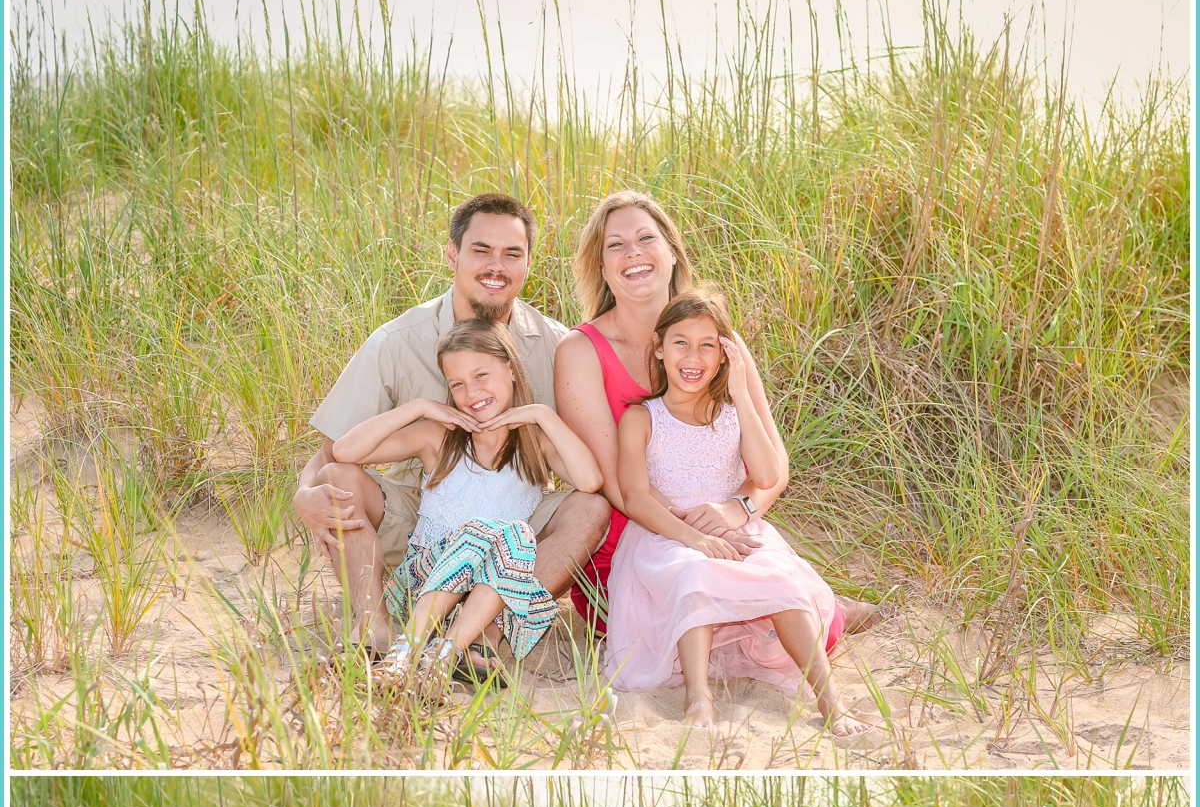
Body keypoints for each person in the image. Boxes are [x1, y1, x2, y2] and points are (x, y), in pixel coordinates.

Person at [293, 193, 609, 651]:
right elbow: (333, 449)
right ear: (453, 254)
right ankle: (373, 626)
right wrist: (305, 492)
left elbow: (588, 473)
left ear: (528, 263)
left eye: (512, 254)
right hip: (423, 520)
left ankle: (489, 638)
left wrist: (539, 415)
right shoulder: (398, 341)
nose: (495, 265)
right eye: (481, 250)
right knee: (339, 477)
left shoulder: (559, 347)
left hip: (513, 527)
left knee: (590, 508)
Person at [609, 287, 869, 735]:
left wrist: (743, 396)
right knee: (695, 573)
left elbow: (767, 475)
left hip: (739, 529)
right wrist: (696, 537)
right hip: (667, 537)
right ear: (659, 348)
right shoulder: (643, 417)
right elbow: (634, 497)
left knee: (779, 575)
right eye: (681, 342)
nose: (694, 356)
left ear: (725, 354)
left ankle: (832, 702)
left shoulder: (729, 413)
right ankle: (698, 699)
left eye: (708, 345)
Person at [330, 319, 601, 685]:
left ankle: (443, 655)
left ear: (511, 367)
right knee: (485, 532)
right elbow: (344, 451)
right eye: (457, 384)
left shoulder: (534, 443)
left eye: (481, 375)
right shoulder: (440, 438)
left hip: (487, 592)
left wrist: (542, 414)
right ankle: (403, 651)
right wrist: (418, 408)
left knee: (513, 535)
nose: (472, 392)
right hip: (423, 580)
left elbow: (590, 481)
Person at [553, 191, 773, 630]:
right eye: (614, 245)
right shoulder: (579, 351)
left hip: (722, 526)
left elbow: (772, 463)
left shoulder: (718, 340)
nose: (632, 252)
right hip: (634, 538)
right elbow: (617, 484)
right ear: (602, 269)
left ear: (672, 253)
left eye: (645, 238)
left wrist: (737, 510)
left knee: (789, 610)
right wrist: (697, 534)